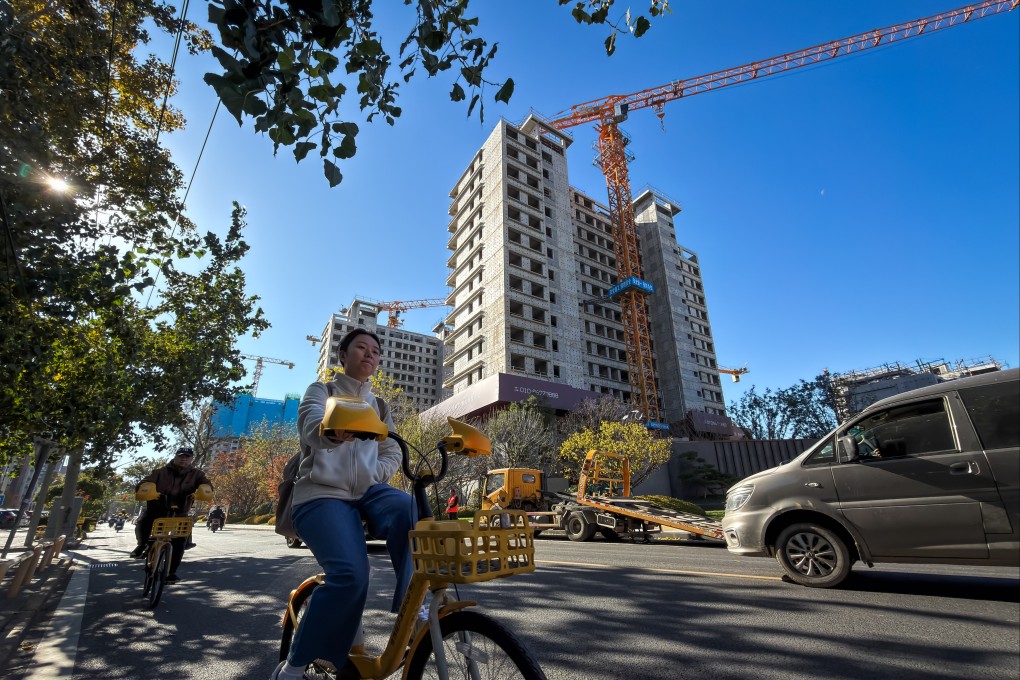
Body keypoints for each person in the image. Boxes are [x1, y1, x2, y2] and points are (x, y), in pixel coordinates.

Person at [271, 328, 415, 680]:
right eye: (361, 348)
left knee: (412, 509)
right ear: (343, 355)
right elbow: (309, 425)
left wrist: (375, 472)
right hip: (320, 494)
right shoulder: (323, 390)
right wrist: (331, 432)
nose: (369, 354)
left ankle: (414, 612)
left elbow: (392, 448)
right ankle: (293, 665)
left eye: (375, 351)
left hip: (367, 490)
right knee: (351, 577)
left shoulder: (379, 405)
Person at [129, 447, 212, 584]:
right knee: (143, 522)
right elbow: (144, 483)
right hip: (157, 510)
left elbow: (207, 485)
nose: (183, 459)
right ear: (175, 457)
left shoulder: (197, 475)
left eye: (187, 457)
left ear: (191, 459)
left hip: (181, 512)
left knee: (180, 541)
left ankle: (171, 573)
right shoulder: (160, 472)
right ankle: (141, 545)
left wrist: (203, 491)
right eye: (181, 456)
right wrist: (148, 488)